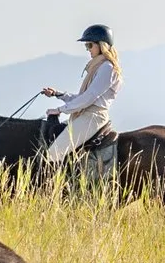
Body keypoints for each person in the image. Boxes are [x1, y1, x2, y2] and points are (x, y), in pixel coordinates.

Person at [40, 23, 122, 188]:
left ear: (101, 45)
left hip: (93, 117)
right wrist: (58, 94)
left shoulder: (107, 68)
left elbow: (90, 97)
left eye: (89, 45)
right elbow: (83, 97)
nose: (87, 49)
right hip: (85, 114)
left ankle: (54, 190)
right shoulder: (98, 66)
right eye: (87, 45)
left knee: (54, 153)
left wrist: (60, 110)